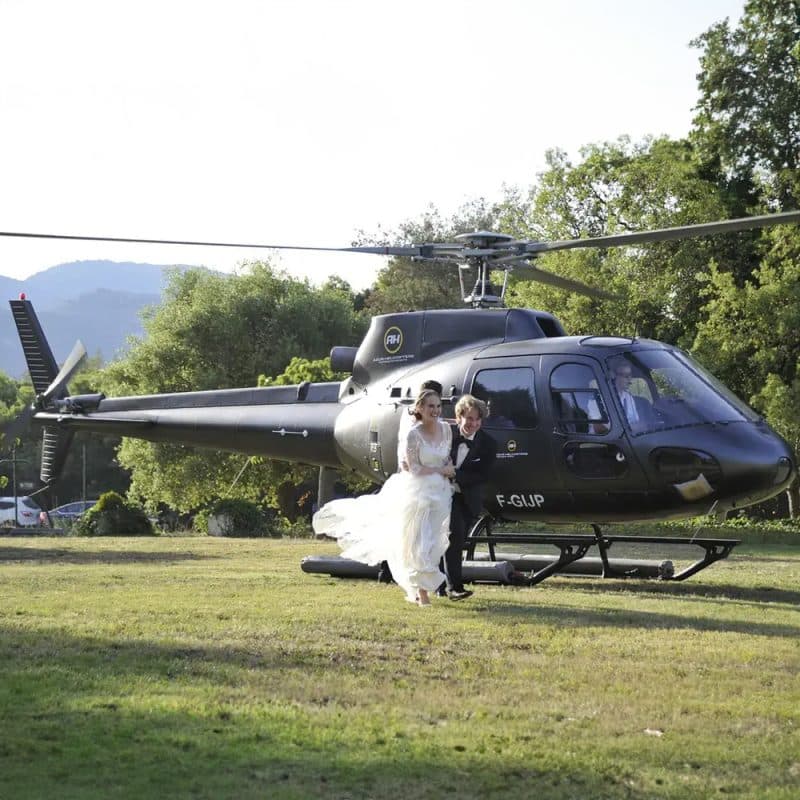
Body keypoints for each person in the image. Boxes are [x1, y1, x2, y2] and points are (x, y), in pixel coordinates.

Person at [313, 388, 455, 606]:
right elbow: (414, 469)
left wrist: (448, 471)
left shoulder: (446, 429)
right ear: (419, 408)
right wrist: (441, 471)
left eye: (437, 406)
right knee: (419, 543)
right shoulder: (413, 434)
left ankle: (423, 587)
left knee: (435, 542)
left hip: (441, 495)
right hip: (418, 494)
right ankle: (422, 593)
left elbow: (446, 458)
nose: (435, 411)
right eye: (430, 407)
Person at [378, 379, 444, 584]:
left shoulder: (422, 418)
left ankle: (424, 574)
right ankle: (394, 570)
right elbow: (408, 452)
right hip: (415, 479)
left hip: (426, 478)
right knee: (411, 529)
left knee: (427, 530)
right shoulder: (414, 420)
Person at [440, 394, 496, 601]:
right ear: (458, 417)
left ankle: (443, 584)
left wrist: (456, 474)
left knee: (456, 538)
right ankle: (454, 587)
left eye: (477, 420)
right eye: (469, 418)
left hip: (466, 497)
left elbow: (483, 475)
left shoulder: (489, 444)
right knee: (453, 536)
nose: (473, 424)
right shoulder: (445, 435)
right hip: (438, 494)